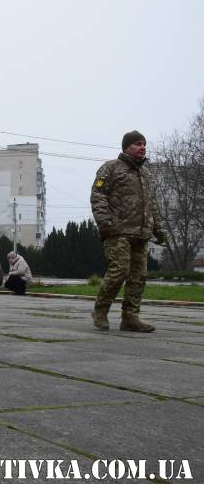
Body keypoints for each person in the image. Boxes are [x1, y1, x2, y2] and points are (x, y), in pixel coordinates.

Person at [90, 130, 167, 332]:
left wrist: (158, 230)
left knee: (138, 277)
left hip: (141, 235)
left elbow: (152, 205)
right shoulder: (111, 168)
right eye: (138, 144)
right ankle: (100, 311)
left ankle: (130, 318)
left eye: (144, 144)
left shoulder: (146, 174)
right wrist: (106, 224)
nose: (143, 147)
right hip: (118, 232)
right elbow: (98, 196)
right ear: (126, 147)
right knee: (119, 272)